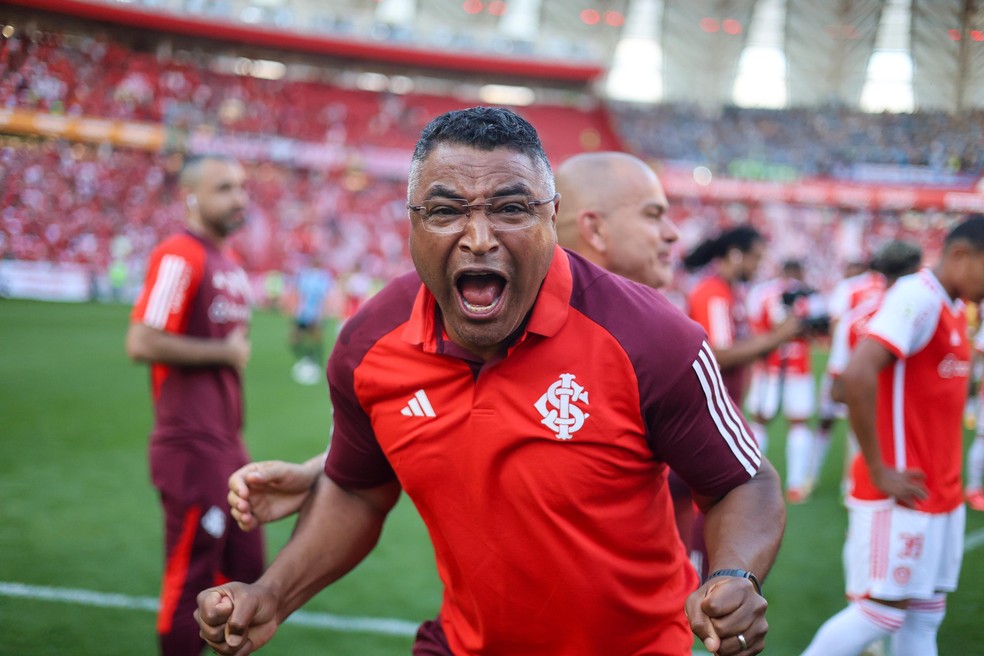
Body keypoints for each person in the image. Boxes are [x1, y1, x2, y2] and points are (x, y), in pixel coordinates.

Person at [196, 107, 785, 656]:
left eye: (510, 208)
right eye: (447, 210)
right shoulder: (367, 346)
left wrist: (734, 574)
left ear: (551, 218)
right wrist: (274, 593)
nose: (479, 238)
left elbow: (742, 481)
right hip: (463, 643)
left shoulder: (653, 340)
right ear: (412, 225)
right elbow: (358, 490)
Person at [801, 216, 984, 656]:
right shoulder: (918, 296)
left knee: (924, 616)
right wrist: (879, 469)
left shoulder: (954, 306)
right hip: (901, 494)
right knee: (878, 614)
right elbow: (858, 372)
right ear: (960, 255)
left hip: (938, 493)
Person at [125, 154, 264, 656]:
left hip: (228, 442)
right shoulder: (180, 254)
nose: (239, 197)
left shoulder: (229, 262)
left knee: (248, 572)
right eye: (224, 187)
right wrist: (224, 352)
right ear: (191, 197)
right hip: (190, 443)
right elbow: (142, 340)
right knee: (191, 578)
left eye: (242, 186)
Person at [683, 226, 802, 454]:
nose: (758, 265)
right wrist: (777, 338)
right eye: (755, 258)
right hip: (708, 415)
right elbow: (720, 354)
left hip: (721, 408)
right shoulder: (714, 293)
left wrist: (772, 338)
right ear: (736, 254)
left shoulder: (730, 292)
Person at [745, 260, 825, 503]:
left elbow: (756, 327)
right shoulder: (810, 294)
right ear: (798, 271)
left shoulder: (762, 292)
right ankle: (796, 486)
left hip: (768, 364)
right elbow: (822, 328)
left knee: (760, 421)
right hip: (798, 365)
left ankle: (748, 478)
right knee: (798, 425)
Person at [285, 255, 333, 385]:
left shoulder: (323, 276)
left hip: (314, 313)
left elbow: (324, 296)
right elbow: (299, 293)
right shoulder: (305, 275)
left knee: (315, 337)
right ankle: (307, 356)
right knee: (295, 338)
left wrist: (323, 312)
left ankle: (315, 359)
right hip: (303, 312)